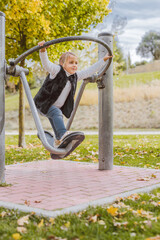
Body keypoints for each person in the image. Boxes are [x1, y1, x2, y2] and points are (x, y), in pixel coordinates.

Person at [34, 40, 112, 148]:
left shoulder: (75, 76)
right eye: (71, 62)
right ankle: (63, 134)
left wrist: (103, 60)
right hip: (43, 104)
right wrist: (43, 50)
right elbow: (46, 64)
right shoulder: (57, 71)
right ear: (62, 64)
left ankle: (57, 141)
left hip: (54, 107)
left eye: (76, 63)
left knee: (55, 118)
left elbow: (90, 70)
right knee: (56, 113)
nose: (74, 65)